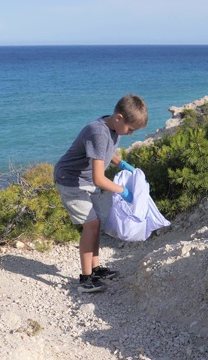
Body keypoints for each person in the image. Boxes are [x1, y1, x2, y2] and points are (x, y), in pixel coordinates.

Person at [54, 94, 148, 293]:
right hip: (71, 181)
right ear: (119, 117)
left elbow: (105, 150)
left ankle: (95, 269)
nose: (131, 134)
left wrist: (119, 163)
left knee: (96, 224)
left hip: (86, 180)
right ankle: (85, 279)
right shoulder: (98, 132)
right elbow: (99, 179)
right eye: (131, 129)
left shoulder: (113, 128)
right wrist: (124, 192)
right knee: (91, 225)